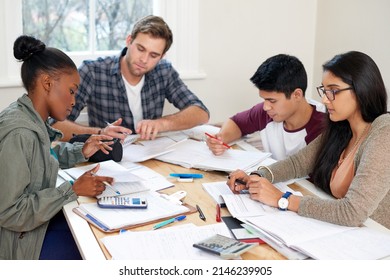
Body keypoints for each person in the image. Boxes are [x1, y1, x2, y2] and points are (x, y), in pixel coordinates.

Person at [227, 51, 390, 229]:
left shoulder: (384, 130)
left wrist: (283, 199)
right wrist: (256, 177)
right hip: (349, 232)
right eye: (324, 91)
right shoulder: (341, 128)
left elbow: (351, 212)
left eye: (333, 91)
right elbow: (297, 164)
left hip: (378, 239)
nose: (325, 100)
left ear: (362, 89)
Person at [0, 35, 115, 260]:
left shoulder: (30, 118)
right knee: (97, 250)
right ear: (47, 83)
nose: (74, 101)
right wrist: (71, 190)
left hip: (33, 227)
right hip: (19, 244)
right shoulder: (20, 133)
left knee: (97, 230)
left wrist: (81, 151)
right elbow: (9, 212)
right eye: (71, 91)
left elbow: (40, 159)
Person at [52, 15, 209, 142]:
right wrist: (100, 133)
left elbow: (201, 112)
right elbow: (55, 125)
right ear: (129, 41)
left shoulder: (164, 72)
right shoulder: (93, 71)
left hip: (149, 157)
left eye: (154, 55)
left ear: (162, 56)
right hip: (107, 158)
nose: (144, 59)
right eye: (141, 49)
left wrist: (162, 124)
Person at [206, 54, 326, 160]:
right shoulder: (267, 113)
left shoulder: (325, 124)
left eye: (272, 100)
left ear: (297, 95)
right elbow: (236, 123)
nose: (265, 107)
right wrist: (221, 139)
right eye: (264, 99)